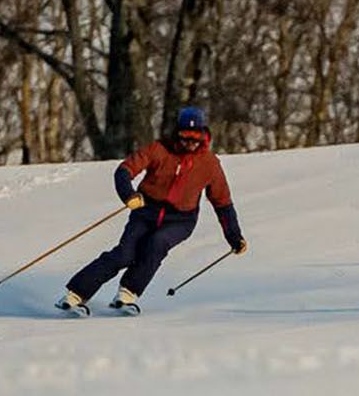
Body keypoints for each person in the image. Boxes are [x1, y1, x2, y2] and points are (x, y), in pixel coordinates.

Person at [56, 105, 248, 315]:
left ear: (204, 136)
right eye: (185, 136)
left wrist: (234, 237)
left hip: (180, 220)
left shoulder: (210, 164)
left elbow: (223, 204)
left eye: (195, 137)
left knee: (157, 244)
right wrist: (129, 195)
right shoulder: (159, 150)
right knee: (124, 254)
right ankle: (75, 294)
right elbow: (124, 170)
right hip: (146, 211)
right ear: (177, 133)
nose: (190, 142)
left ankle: (127, 293)